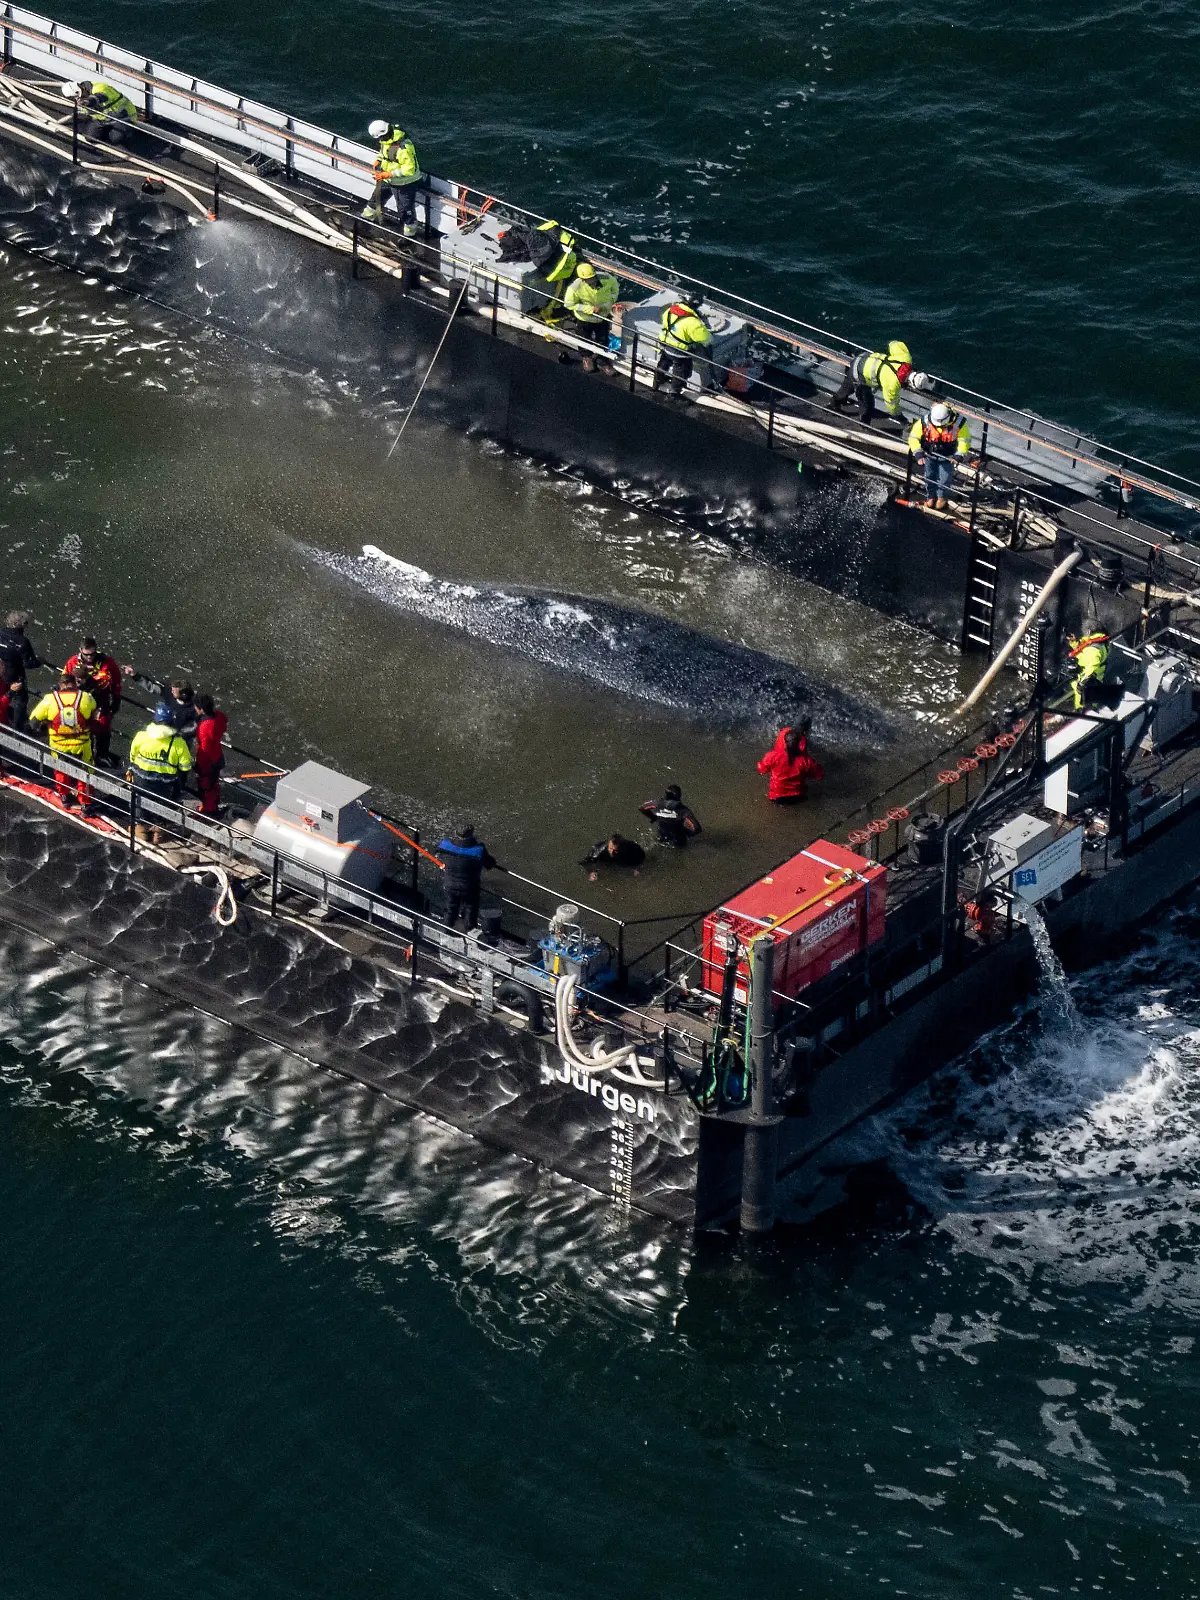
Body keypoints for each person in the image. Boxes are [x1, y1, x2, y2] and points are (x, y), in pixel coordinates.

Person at [28, 670, 97, 811]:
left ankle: (64, 797)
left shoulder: (49, 699)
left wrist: (48, 722)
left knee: (61, 772)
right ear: (75, 684)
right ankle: (86, 804)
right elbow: (94, 714)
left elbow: (33, 722)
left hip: (58, 746)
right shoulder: (86, 697)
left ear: (60, 685)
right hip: (82, 746)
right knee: (86, 774)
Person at [127, 703, 194, 842]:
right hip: (164, 784)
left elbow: (133, 756)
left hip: (141, 779)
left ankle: (140, 828)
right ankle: (159, 831)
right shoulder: (178, 742)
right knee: (164, 804)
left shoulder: (142, 736)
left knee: (139, 801)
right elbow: (185, 766)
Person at [64, 636, 130, 765]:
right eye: (86, 654)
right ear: (81, 650)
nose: (89, 657)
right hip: (79, 701)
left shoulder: (106, 662)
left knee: (103, 727)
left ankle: (102, 754)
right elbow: (64, 679)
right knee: (82, 727)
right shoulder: (72, 662)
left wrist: (116, 697)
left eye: (92, 654)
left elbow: (116, 680)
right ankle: (84, 753)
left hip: (100, 700)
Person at [828, 340, 919, 424]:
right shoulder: (892, 384)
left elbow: (894, 344)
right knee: (867, 403)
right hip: (859, 374)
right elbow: (891, 404)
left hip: (863, 358)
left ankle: (834, 403)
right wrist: (899, 416)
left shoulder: (905, 359)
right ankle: (864, 424)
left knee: (847, 388)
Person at [907, 402, 972, 511]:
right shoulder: (925, 421)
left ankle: (942, 497)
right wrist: (918, 453)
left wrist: (958, 455)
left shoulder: (959, 423)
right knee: (929, 476)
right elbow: (913, 437)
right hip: (928, 455)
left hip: (948, 457)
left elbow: (964, 440)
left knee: (945, 478)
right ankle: (931, 497)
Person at [562, 262, 620, 372]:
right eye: (588, 279)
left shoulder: (607, 278)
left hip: (602, 317)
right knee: (584, 338)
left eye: (593, 278)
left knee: (603, 339)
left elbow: (615, 288)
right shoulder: (575, 287)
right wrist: (589, 309)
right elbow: (568, 304)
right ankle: (586, 358)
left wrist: (610, 301)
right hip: (585, 319)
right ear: (582, 279)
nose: (592, 281)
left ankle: (602, 361)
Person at [437, 825, 498, 930]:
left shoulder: (445, 845)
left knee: (450, 909)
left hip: (450, 885)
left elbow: (437, 853)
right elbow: (489, 864)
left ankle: (446, 930)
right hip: (469, 887)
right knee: (470, 910)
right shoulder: (478, 850)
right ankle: (469, 931)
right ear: (470, 835)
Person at [652, 301, 714, 399]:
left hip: (665, 344)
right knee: (680, 372)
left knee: (663, 363)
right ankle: (673, 394)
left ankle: (656, 383)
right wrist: (705, 326)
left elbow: (665, 322)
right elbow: (707, 340)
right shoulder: (693, 322)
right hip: (680, 352)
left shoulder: (669, 311)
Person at [757, 724, 825, 803]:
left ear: (784, 741)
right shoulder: (806, 761)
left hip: (777, 797)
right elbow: (820, 775)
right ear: (799, 744)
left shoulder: (772, 756)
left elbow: (761, 769)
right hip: (798, 797)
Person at [0, 610, 42, 729]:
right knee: (21, 701)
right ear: (22, 625)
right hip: (16, 677)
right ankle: (18, 730)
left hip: (1, 676)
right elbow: (29, 663)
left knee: (3, 697)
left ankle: (6, 718)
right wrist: (40, 661)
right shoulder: (22, 641)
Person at [63, 79, 139, 143]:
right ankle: (108, 130)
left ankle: (128, 131)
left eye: (78, 97)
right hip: (102, 119)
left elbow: (100, 97)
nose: (78, 100)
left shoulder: (100, 88)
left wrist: (88, 102)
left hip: (123, 116)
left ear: (82, 89)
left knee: (115, 139)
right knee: (90, 138)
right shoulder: (79, 99)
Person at [533, 220, 578, 319]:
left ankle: (547, 310)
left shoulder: (548, 230)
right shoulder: (566, 240)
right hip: (557, 271)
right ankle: (549, 309)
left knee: (555, 290)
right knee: (557, 290)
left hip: (553, 270)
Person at [193, 694, 228, 816]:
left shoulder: (204, 727)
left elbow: (204, 749)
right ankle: (214, 805)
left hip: (208, 762)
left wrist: (198, 765)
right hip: (218, 756)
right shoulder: (218, 716)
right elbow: (224, 722)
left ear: (201, 709)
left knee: (206, 786)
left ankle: (209, 811)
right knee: (214, 783)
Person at [1067, 630, 1110, 711]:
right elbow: (1083, 651)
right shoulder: (1097, 642)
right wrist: (1074, 643)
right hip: (1087, 679)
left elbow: (1091, 667)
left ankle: (1086, 711)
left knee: (1085, 705)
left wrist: (1082, 682)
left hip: (1089, 683)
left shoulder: (1093, 650)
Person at [580, 834, 645, 881]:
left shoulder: (630, 846)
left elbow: (642, 855)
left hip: (623, 860)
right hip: (606, 861)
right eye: (611, 848)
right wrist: (591, 872)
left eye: (616, 850)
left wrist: (638, 868)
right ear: (609, 844)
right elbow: (584, 863)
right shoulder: (599, 851)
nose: (613, 852)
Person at [166, 679, 199, 744]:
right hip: (168, 730)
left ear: (183, 695)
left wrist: (182, 735)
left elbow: (195, 727)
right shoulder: (169, 694)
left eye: (173, 691)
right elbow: (153, 687)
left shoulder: (194, 708)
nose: (171, 692)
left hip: (182, 738)